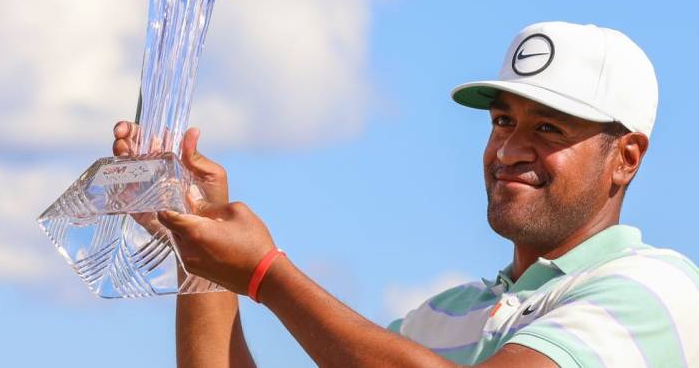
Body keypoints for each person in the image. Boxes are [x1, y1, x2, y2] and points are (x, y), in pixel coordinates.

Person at [112, 21, 698, 367]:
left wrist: (267, 273)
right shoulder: (441, 319)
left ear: (626, 159)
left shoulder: (656, 293)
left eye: (548, 129)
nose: (510, 149)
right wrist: (199, 241)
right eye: (502, 122)